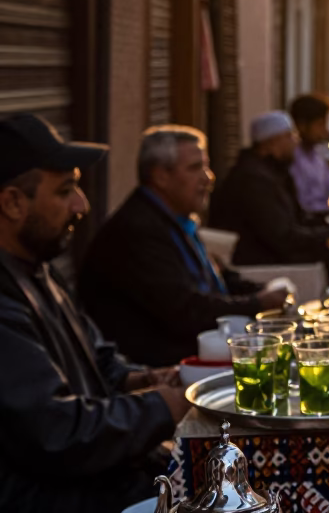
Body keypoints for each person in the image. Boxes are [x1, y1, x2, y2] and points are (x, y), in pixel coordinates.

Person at [0, 113, 190, 513]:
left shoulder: (38, 270)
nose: (82, 205)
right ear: (14, 202)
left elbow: (97, 361)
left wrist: (147, 379)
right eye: (66, 190)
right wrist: (168, 406)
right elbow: (57, 431)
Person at [80, 126, 289, 366]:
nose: (208, 177)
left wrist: (262, 292)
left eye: (206, 166)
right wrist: (258, 303)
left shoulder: (175, 218)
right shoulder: (138, 229)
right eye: (194, 168)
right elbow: (186, 310)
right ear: (161, 177)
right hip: (160, 370)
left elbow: (216, 281)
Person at [211, 110, 329, 281]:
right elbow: (281, 236)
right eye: (289, 136)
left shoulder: (274, 172)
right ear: (271, 143)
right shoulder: (253, 180)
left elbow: (298, 218)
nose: (295, 142)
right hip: (262, 265)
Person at [289, 93, 329, 214]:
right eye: (320, 124)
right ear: (302, 125)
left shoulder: (317, 154)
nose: (325, 131)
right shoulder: (292, 158)